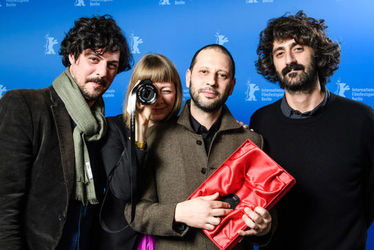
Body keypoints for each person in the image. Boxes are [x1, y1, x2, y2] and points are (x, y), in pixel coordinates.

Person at [0, 15, 132, 249]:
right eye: (94, 59)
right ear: (72, 56)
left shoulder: (102, 127)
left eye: (111, 65)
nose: (102, 72)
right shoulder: (25, 106)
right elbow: (4, 202)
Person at [124, 44, 274, 250]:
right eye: (204, 72)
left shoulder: (252, 142)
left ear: (231, 86)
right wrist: (179, 213)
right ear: (188, 77)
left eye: (222, 75)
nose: (211, 81)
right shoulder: (152, 136)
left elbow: (268, 218)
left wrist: (264, 228)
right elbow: (135, 213)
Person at [250, 11, 374, 250]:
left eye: (298, 49)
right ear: (272, 64)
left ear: (318, 56)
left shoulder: (362, 119)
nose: (289, 60)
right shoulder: (261, 121)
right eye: (279, 53)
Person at [98, 53, 183, 249]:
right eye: (150, 90)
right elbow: (123, 189)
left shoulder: (184, 130)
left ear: (178, 92)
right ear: (134, 92)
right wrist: (140, 129)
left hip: (172, 237)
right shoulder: (114, 128)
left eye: (166, 90)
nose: (158, 99)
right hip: (122, 240)